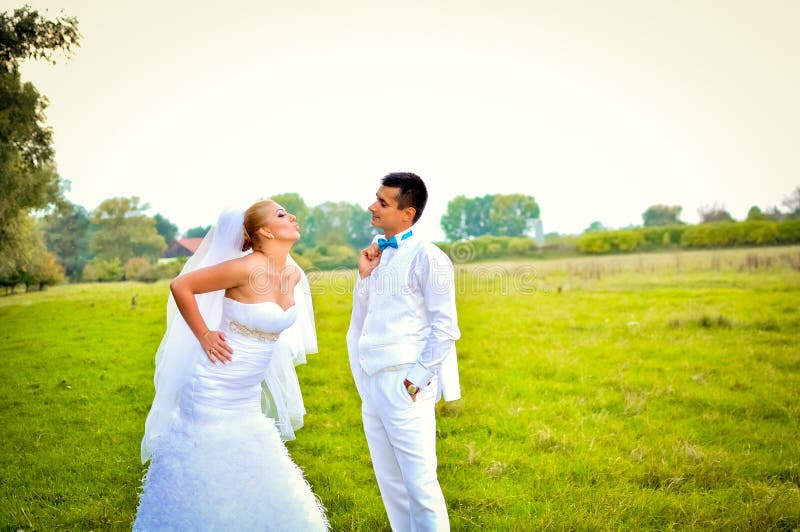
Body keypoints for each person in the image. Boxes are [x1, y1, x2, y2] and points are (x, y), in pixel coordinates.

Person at [134, 200, 328, 531]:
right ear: (265, 231)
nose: (292, 217)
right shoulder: (244, 267)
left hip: (247, 388)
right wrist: (205, 334)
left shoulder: (292, 274)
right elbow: (182, 286)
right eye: (282, 215)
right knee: (208, 454)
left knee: (250, 451)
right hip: (214, 383)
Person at [346, 172, 461, 531]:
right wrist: (365, 275)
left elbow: (445, 328)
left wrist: (415, 381)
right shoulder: (376, 255)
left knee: (420, 485)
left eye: (383, 202)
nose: (372, 206)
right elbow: (364, 319)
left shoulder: (430, 257)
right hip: (373, 384)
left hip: (406, 384)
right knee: (391, 486)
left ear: (407, 213)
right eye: (375, 199)